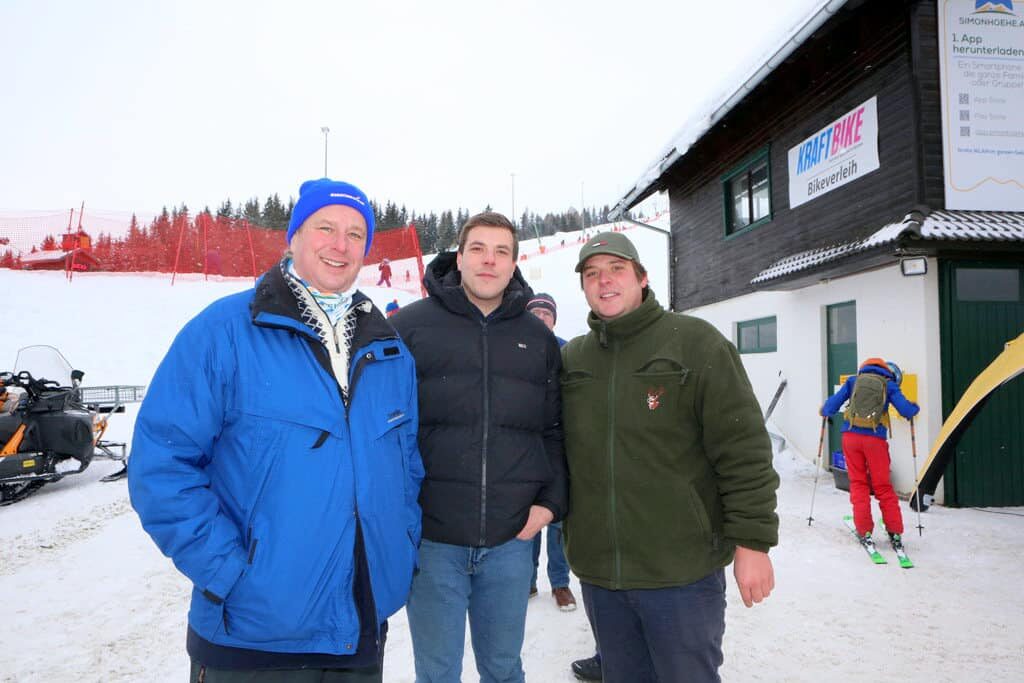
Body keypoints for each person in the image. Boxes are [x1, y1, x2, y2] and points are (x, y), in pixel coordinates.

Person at [128, 177, 424, 683]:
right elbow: (162, 466)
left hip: (360, 628)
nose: (341, 244)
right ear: (293, 237)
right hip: (253, 637)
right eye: (325, 227)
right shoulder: (224, 332)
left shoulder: (388, 349)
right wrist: (230, 573)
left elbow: (407, 466)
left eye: (356, 234)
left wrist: (401, 545)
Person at [561, 232, 780, 683]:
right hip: (602, 575)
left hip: (681, 574)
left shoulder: (696, 344)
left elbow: (743, 450)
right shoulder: (572, 360)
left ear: (642, 277)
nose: (604, 282)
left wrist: (752, 542)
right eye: (592, 274)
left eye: (616, 270)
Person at [391, 211, 567, 683]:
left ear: (514, 263)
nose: (489, 261)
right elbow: (385, 430)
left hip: (511, 542)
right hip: (433, 542)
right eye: (479, 249)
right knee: (437, 673)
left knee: (504, 670)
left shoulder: (537, 339)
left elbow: (553, 429)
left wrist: (550, 504)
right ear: (459, 256)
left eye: (502, 251)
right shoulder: (410, 328)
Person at [821, 358, 919, 550]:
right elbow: (906, 410)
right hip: (875, 440)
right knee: (882, 486)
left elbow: (831, 406)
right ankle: (894, 531)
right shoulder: (889, 384)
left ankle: (864, 530)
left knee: (858, 484)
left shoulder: (852, 381)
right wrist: (914, 407)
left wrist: (823, 410)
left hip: (850, 437)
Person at [524, 293, 574, 612]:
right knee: (526, 519)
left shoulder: (567, 350)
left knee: (556, 521)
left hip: (559, 446)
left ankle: (560, 583)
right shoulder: (513, 347)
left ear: (554, 319)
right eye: (535, 312)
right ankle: (525, 581)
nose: (541, 317)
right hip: (525, 449)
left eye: (546, 313)